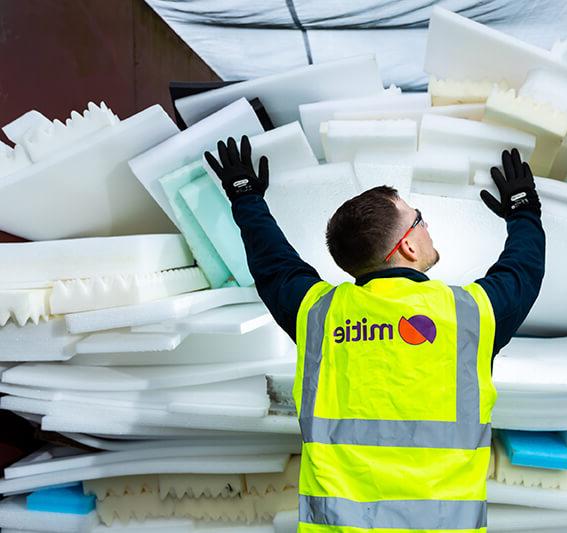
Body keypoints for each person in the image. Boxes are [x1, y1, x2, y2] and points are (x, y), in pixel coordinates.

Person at [205, 135, 546, 533]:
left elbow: (273, 264)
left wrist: (245, 197)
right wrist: (523, 211)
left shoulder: (318, 314)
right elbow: (523, 271)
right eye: (418, 220)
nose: (426, 225)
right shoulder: (468, 316)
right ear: (408, 249)